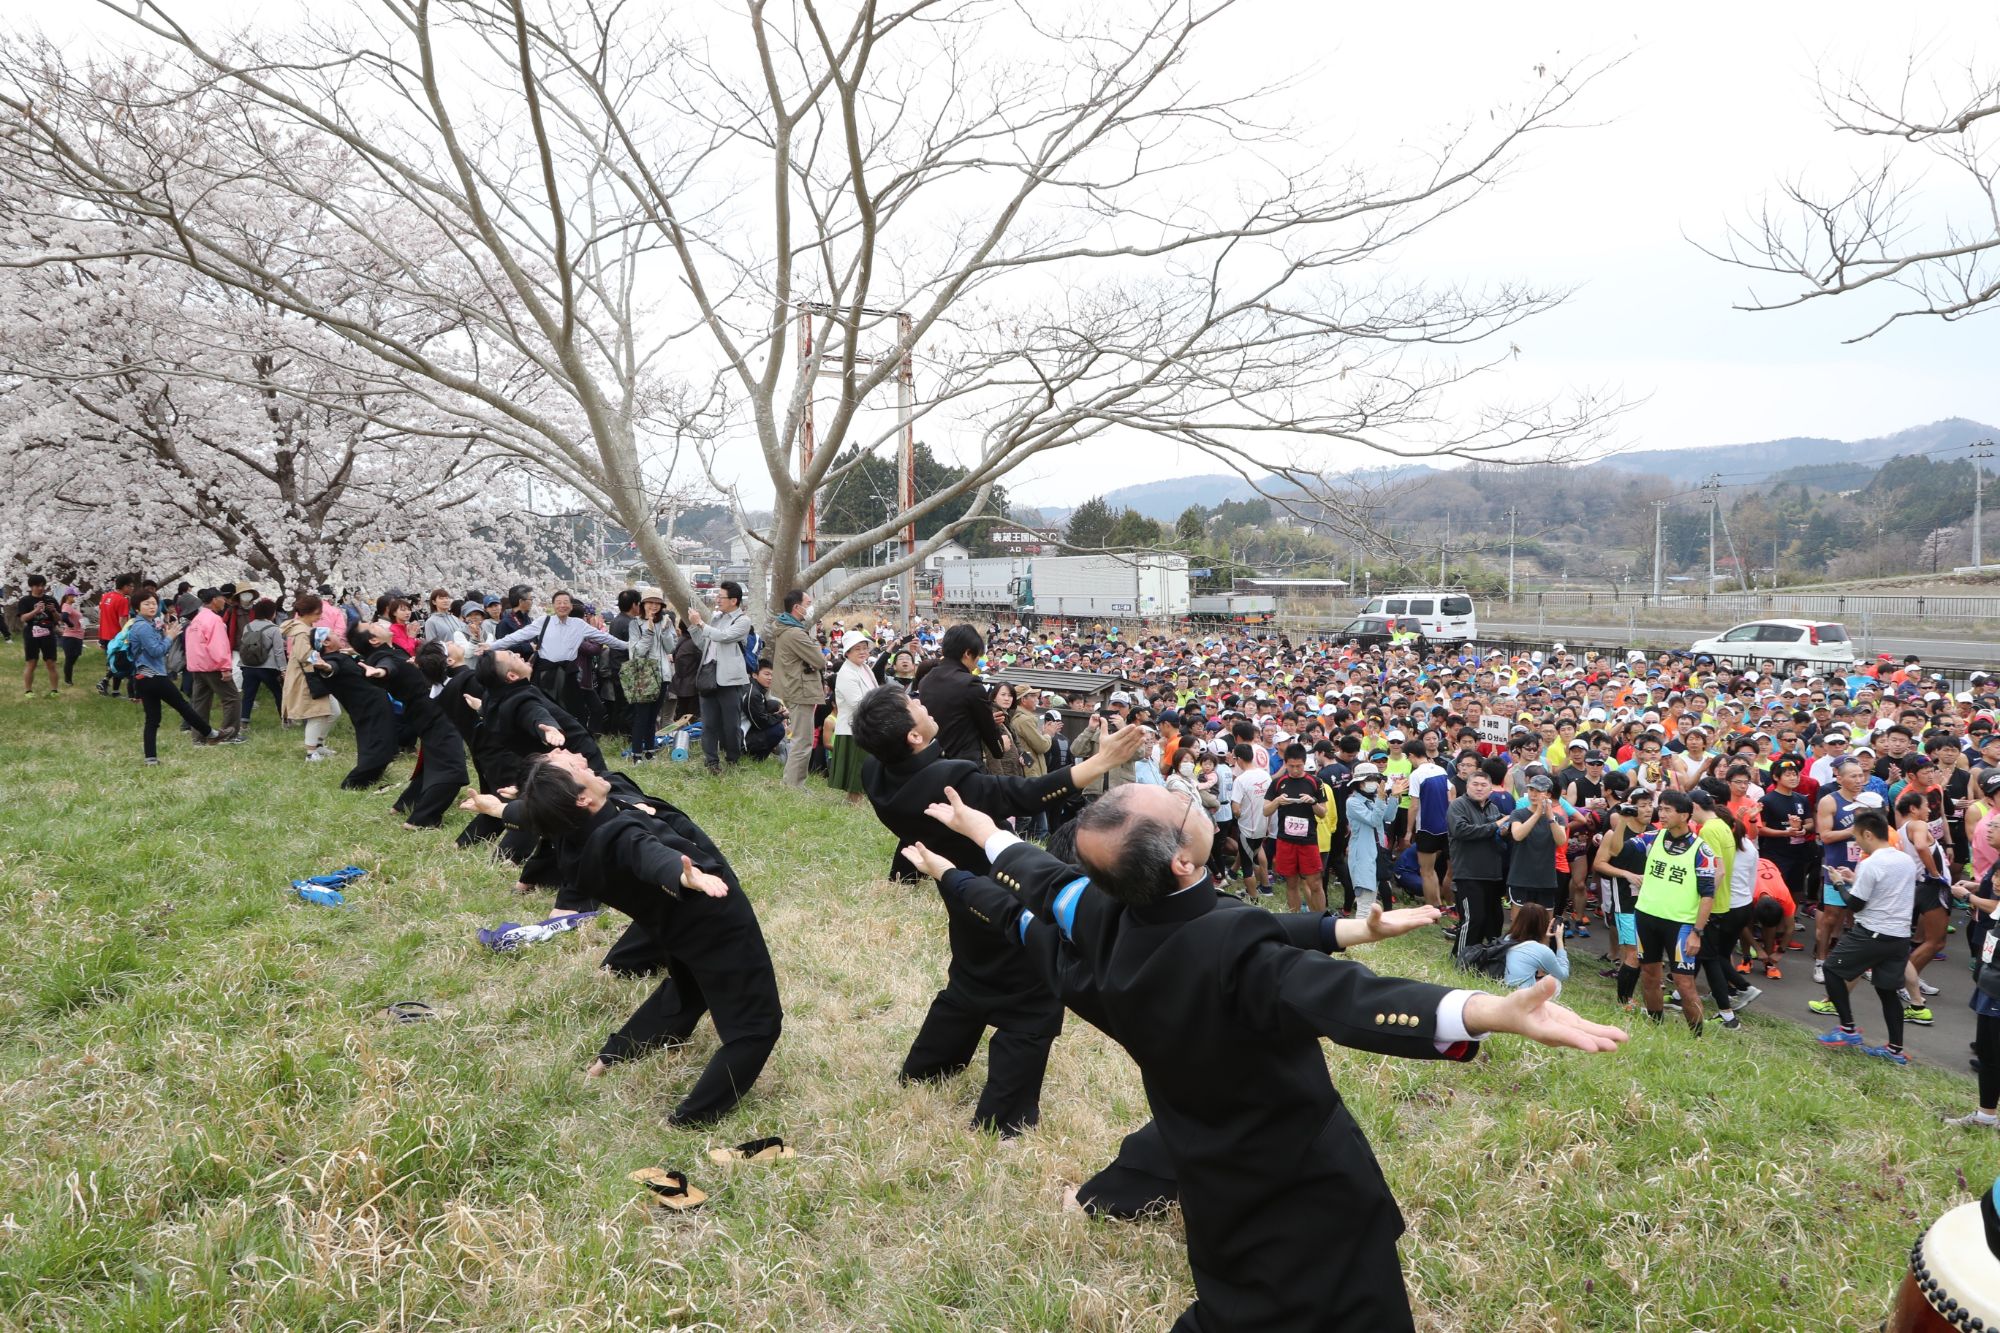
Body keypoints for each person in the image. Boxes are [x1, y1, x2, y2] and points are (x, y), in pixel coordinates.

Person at [902, 781, 1625, 1332]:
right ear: (1186, 857)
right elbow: (1344, 1001)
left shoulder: (1102, 929)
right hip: (1309, 1195)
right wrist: (1487, 1010)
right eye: (1186, 804)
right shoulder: (1232, 954)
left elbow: (1037, 880)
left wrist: (982, 832)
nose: (1197, 801)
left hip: (1217, 1189)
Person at [849, 681, 1146, 1135]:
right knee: (1032, 1001)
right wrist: (1100, 763)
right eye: (915, 704)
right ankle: (1001, 1119)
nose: (924, 701)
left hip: (955, 887)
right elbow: (1024, 794)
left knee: (969, 978)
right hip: (999, 891)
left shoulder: (876, 773)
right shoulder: (949, 779)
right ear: (912, 736)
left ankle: (929, 1069)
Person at [510, 750, 783, 1125]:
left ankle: (611, 1056)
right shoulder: (614, 835)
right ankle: (691, 1119)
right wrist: (685, 876)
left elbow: (539, 808)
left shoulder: (572, 833)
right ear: (581, 798)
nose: (584, 762)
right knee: (757, 1028)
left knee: (690, 988)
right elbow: (649, 853)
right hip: (714, 919)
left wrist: (499, 807)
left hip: (673, 927)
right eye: (577, 768)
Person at [1598, 788, 1714, 1034]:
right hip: (1646, 918)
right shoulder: (1653, 838)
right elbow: (1617, 851)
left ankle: (1698, 1036)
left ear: (1684, 815)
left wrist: (1697, 932)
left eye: (1667, 810)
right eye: (1659, 808)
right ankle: (1655, 1027)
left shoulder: (1701, 851)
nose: (1660, 813)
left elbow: (1707, 895)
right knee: (1650, 975)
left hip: (1681, 925)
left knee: (1684, 984)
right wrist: (1621, 823)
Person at [1815, 808, 1916, 1065]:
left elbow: (1856, 905)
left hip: (1872, 932)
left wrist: (1839, 882)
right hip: (1899, 936)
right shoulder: (1904, 860)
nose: (1856, 842)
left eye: (1857, 837)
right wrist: (1855, 879)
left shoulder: (1871, 863)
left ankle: (1848, 1029)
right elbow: (1884, 889)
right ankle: (1895, 1050)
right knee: (1887, 990)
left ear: (1868, 834)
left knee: (1831, 969)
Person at [1945, 819, 2000, 1127]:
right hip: (1992, 974)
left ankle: (1986, 1116)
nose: (1989, 829)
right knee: (1988, 1051)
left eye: (1997, 826)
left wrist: (1969, 896)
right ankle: (1985, 1115)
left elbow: (1993, 905)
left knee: (1992, 1053)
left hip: (1997, 981)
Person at [125, 593, 223, 761]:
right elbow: (156, 651)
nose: (152, 606)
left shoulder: (146, 625)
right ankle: (209, 733)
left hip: (144, 677)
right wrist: (170, 638)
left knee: (153, 719)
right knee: (183, 706)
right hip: (154, 676)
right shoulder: (142, 627)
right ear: (136, 608)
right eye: (146, 603)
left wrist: (165, 635)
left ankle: (151, 758)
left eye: (154, 603)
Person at [684, 580, 752, 774]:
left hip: (729, 680)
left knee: (731, 724)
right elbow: (703, 643)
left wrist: (700, 623)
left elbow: (724, 636)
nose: (718, 600)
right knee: (709, 723)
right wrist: (695, 626)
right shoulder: (716, 618)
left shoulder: (742, 621)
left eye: (721, 597)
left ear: (734, 600)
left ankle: (733, 758)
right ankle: (711, 761)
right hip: (708, 675)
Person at [920, 623, 1009, 765]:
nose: (978, 661)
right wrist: (1001, 745)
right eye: (978, 655)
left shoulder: (926, 680)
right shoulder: (970, 683)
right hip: (964, 766)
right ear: (967, 653)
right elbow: (989, 734)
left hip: (934, 763)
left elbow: (951, 717)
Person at [1448, 767, 1511, 957]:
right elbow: (1462, 831)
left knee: (1493, 921)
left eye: (1484, 785)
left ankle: (1486, 960)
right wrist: (1496, 826)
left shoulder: (1493, 808)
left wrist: (1504, 833)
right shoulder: (1458, 805)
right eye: (1475, 784)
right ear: (1467, 786)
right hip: (1467, 873)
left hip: (1492, 874)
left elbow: (1501, 839)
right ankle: (1459, 959)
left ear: (1491, 788)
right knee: (1472, 919)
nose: (1479, 788)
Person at [771, 589, 828, 788]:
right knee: (802, 742)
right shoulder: (795, 633)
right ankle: (795, 786)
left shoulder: (786, 628)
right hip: (800, 689)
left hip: (794, 687)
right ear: (797, 607)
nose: (810, 607)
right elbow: (820, 660)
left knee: (800, 739)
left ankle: (790, 782)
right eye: (808, 603)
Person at [1265, 742, 1328, 912]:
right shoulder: (1278, 783)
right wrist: (1277, 801)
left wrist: (1313, 802)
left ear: (1304, 763)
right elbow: (1265, 811)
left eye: (1299, 766)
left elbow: (1323, 813)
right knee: (1291, 883)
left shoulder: (1315, 782)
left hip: (1308, 840)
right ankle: (1296, 920)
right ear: (1285, 763)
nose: (1295, 770)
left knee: (1314, 883)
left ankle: (1321, 919)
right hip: (1286, 840)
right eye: (1291, 766)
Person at [618, 588, 677, 762]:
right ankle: (637, 755)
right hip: (644, 676)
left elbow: (671, 648)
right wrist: (649, 632)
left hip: (663, 675)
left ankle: (650, 752)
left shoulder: (666, 622)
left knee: (653, 717)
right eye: (650, 602)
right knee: (641, 717)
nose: (653, 606)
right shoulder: (635, 624)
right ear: (643, 604)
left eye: (657, 603)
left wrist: (665, 630)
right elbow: (636, 653)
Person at [183, 588, 243, 743]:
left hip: (197, 667)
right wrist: (225, 667)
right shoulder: (214, 620)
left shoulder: (196, 619)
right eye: (222, 598)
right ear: (214, 600)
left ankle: (198, 737)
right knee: (232, 698)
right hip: (213, 666)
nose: (225, 601)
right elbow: (218, 645)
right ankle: (229, 734)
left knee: (200, 703)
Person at [827, 630, 880, 802]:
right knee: (857, 770)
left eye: (864, 648)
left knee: (862, 768)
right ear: (848, 653)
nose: (863, 651)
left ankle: (857, 802)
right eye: (857, 649)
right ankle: (853, 803)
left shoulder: (864, 667)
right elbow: (858, 704)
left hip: (866, 726)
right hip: (853, 729)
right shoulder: (846, 673)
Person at [1345, 760, 1400, 911]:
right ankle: (1360, 932)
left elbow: (1388, 817)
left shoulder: (1376, 798)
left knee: (1371, 898)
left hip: (1377, 853)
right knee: (1365, 904)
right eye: (1368, 779)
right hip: (1362, 855)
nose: (1373, 783)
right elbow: (1374, 820)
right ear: (1358, 782)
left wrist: (1394, 797)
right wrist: (1382, 799)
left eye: (1375, 779)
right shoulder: (1353, 802)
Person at [1506, 772, 1566, 912]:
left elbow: (1561, 841)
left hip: (1546, 879)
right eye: (1531, 790)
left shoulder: (1557, 818)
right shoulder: (1518, 814)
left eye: (1539, 791)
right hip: (1520, 878)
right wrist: (1538, 813)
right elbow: (1518, 835)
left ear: (1549, 795)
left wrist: (1550, 816)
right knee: (1519, 928)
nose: (1534, 794)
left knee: (1544, 928)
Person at [237, 598, 285, 731]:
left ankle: (243, 723)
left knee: (248, 695)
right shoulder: (274, 629)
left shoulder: (248, 626)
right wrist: (283, 669)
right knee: (278, 693)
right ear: (271, 613)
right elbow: (279, 651)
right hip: (268, 668)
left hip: (248, 666)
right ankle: (285, 720)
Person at [1501, 902, 1571, 991]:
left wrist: (1544, 937)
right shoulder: (1542, 951)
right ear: (1543, 924)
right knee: (1556, 983)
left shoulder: (1508, 938)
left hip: (1504, 989)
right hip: (1523, 994)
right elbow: (1563, 975)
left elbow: (1532, 951)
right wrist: (1559, 940)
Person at [15, 573, 62, 697]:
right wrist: (36, 611)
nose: (40, 588)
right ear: (31, 587)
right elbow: (23, 618)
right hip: (31, 634)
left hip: (48, 634)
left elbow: (59, 618)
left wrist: (53, 611)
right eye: (37, 586)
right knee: (32, 662)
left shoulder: (51, 600)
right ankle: (28, 691)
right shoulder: (25, 601)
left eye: (42, 585)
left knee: (51, 662)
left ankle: (54, 690)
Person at [96, 573, 135, 698]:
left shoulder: (105, 596)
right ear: (124, 587)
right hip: (116, 636)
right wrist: (126, 634)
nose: (132, 588)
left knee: (113, 662)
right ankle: (106, 682)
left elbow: (101, 615)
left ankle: (112, 688)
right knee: (119, 663)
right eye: (131, 586)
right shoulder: (122, 600)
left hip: (104, 634)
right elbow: (122, 620)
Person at [743, 659, 788, 761]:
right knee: (779, 730)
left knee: (774, 704)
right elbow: (760, 723)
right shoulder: (754, 694)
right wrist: (782, 716)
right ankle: (756, 759)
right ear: (754, 675)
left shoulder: (753, 688)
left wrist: (778, 708)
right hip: (741, 739)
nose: (770, 678)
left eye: (772, 675)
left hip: (745, 730)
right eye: (766, 674)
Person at [56, 588, 85, 686]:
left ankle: (68, 679)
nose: (76, 598)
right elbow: (64, 617)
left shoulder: (71, 607)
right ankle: (68, 681)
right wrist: (70, 624)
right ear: (69, 596)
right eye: (75, 596)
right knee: (70, 659)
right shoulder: (67, 606)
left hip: (77, 636)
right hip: (71, 637)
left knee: (73, 658)